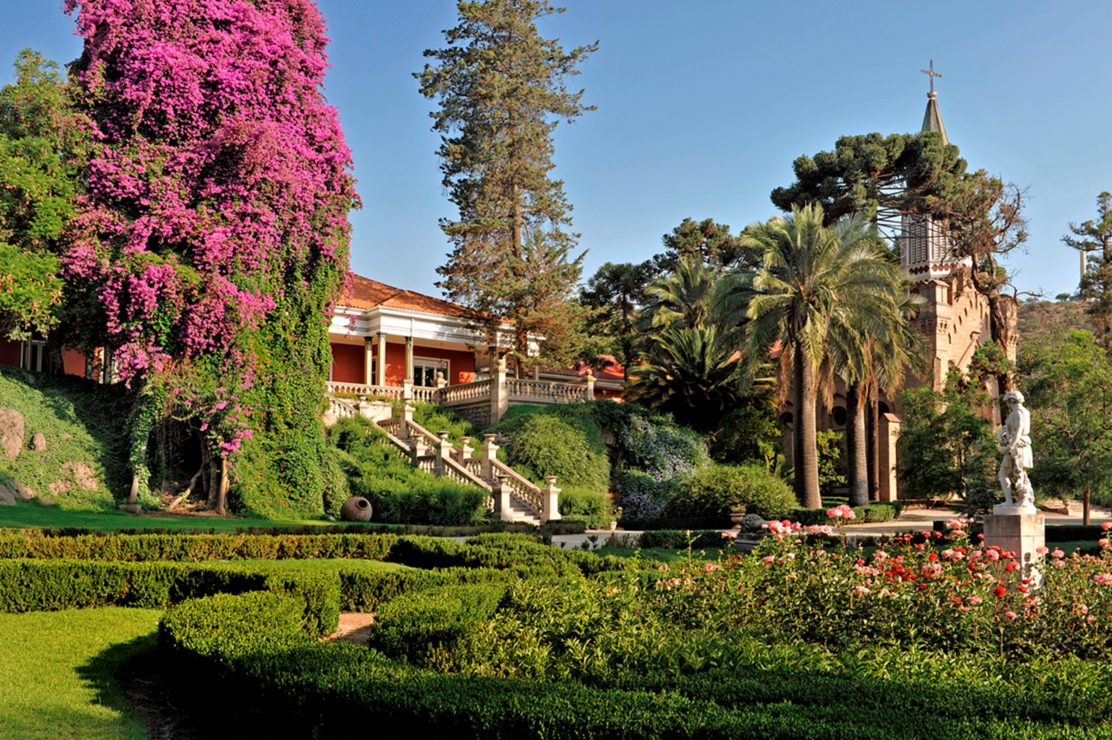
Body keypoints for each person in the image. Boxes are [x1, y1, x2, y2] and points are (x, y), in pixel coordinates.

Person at [997, 389, 1033, 507]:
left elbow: (1019, 431)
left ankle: (1023, 499)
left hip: (1018, 445)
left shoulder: (1018, 412)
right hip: (1016, 444)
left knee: (1019, 473)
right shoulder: (1021, 412)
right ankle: (1013, 501)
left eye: (1008, 402)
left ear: (1012, 400)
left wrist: (1009, 447)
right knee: (1007, 473)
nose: (1007, 404)